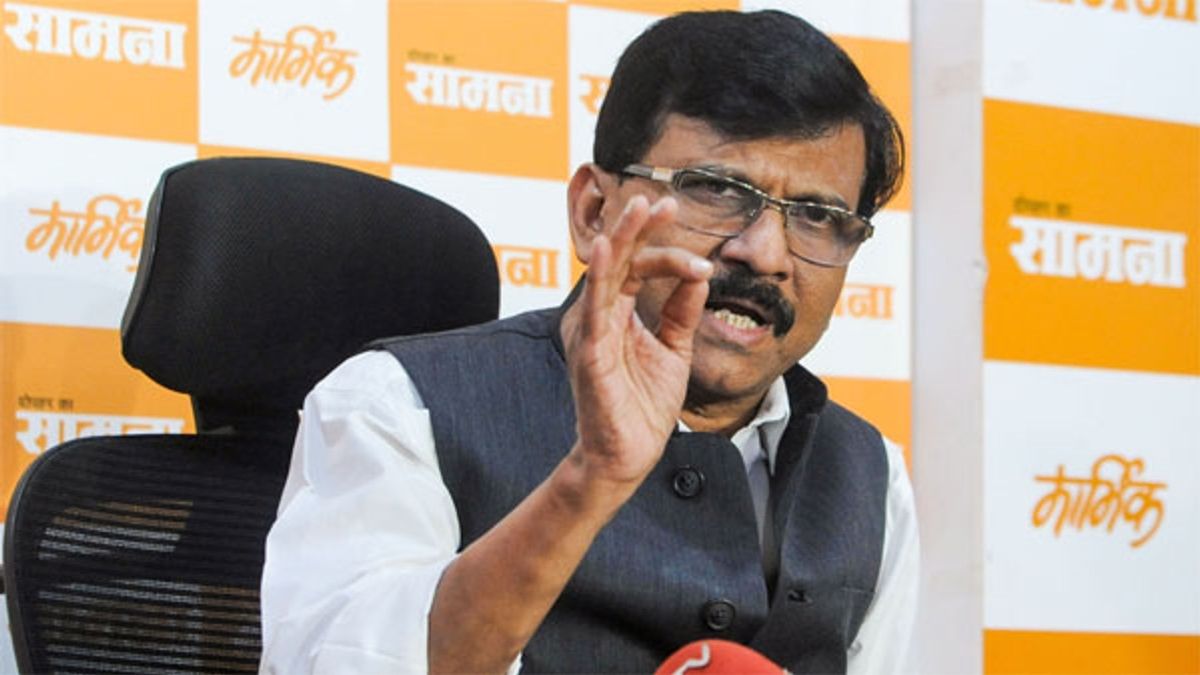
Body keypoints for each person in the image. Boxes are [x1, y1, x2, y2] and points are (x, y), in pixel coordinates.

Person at [260, 9, 917, 674]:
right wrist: (588, 481)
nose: (765, 253)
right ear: (594, 211)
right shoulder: (396, 405)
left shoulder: (870, 476)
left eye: (818, 216)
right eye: (717, 189)